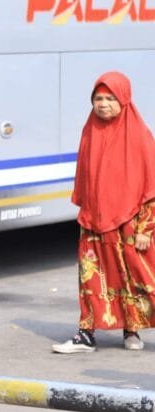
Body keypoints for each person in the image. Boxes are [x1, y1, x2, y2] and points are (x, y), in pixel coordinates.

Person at [53, 71, 155, 353]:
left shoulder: (140, 135)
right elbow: (87, 176)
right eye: (98, 98)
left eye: (111, 98)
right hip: (94, 220)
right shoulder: (90, 130)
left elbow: (151, 184)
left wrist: (146, 229)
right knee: (92, 277)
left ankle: (131, 330)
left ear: (124, 99)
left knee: (130, 277)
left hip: (129, 222)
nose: (103, 104)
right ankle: (86, 333)